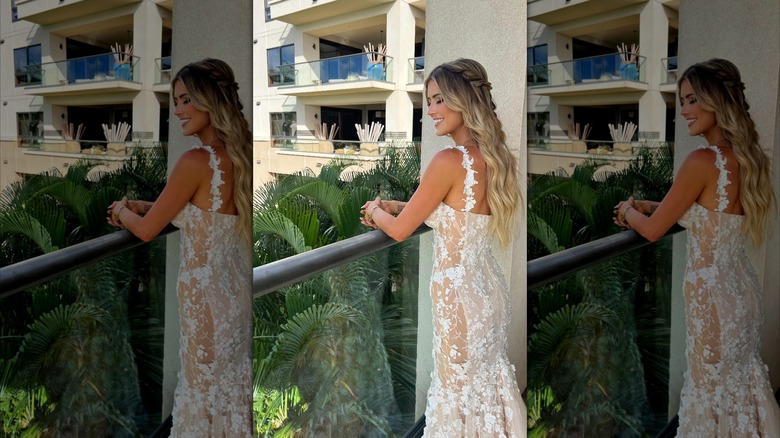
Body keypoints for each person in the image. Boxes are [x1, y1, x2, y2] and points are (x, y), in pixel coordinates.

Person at [360, 58, 526, 437]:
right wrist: (399, 206)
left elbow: (401, 231)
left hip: (459, 305)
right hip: (490, 297)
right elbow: (451, 214)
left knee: (458, 399)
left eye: (438, 100)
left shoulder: (448, 160)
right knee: (483, 393)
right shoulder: (493, 159)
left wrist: (375, 210)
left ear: (463, 101)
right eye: (428, 101)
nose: (430, 111)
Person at [614, 58, 779, 436]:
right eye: (682, 101)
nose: (684, 110)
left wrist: (628, 210)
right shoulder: (746, 159)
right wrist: (651, 206)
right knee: (738, 390)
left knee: (711, 397)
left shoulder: (701, 161)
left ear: (716, 101)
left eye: (692, 100)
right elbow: (706, 214)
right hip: (743, 296)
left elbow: (654, 231)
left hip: (713, 303)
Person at [107, 58, 253, 436]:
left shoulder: (195, 161)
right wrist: (147, 205)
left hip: (203, 304)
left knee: (202, 396)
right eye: (176, 101)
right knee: (227, 395)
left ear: (209, 100)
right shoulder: (239, 155)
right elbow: (202, 214)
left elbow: (146, 230)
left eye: (186, 100)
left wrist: (123, 211)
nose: (178, 110)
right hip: (232, 297)